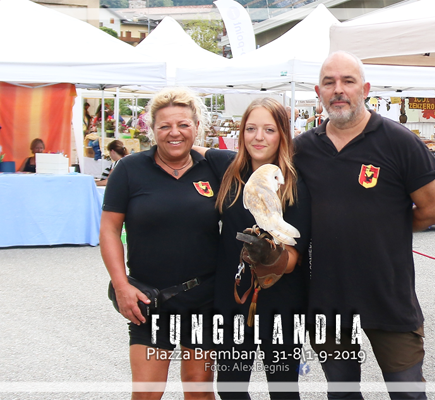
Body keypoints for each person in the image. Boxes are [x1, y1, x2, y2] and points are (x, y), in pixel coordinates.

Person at [293, 51, 435, 400]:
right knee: (342, 391)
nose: (338, 90)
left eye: (347, 81)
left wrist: (387, 228)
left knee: (407, 391)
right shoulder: (302, 149)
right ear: (318, 91)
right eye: (329, 82)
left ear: (364, 88)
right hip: (328, 299)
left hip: (388, 294)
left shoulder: (399, 141)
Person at [100, 87, 220, 400]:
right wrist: (121, 285)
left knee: (199, 391)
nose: (174, 133)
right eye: (164, 126)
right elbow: (110, 230)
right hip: (149, 301)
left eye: (183, 124)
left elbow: (253, 161)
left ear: (197, 127)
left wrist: (205, 152)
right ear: (152, 130)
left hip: (203, 300)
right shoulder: (129, 169)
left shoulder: (214, 169)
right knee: (147, 394)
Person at [194, 98, 311, 399]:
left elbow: (295, 258)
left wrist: (272, 257)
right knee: (230, 389)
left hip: (284, 301)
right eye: (251, 128)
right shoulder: (228, 170)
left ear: (283, 134)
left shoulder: (295, 184)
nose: (258, 137)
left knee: (284, 390)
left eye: (269, 129)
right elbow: (193, 148)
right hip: (233, 297)